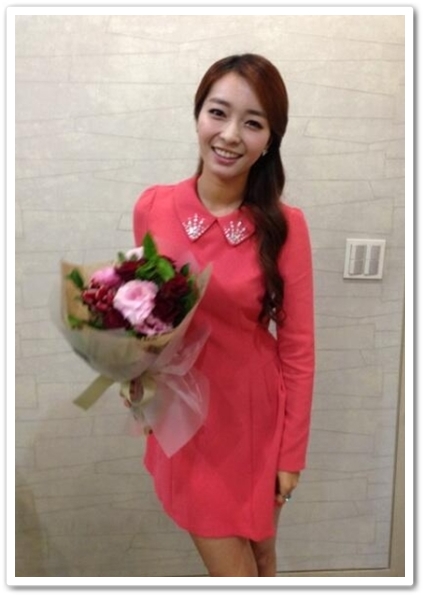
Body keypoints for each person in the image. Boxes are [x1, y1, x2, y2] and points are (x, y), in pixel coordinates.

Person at [132, 53, 315, 577]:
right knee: (233, 573)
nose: (230, 135)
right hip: (185, 421)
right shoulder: (153, 206)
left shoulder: (285, 227)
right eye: (218, 113)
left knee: (262, 556)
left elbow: (298, 348)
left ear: (269, 140)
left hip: (254, 421)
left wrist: (290, 455)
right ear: (198, 116)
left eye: (253, 123)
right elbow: (144, 312)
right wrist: (135, 377)